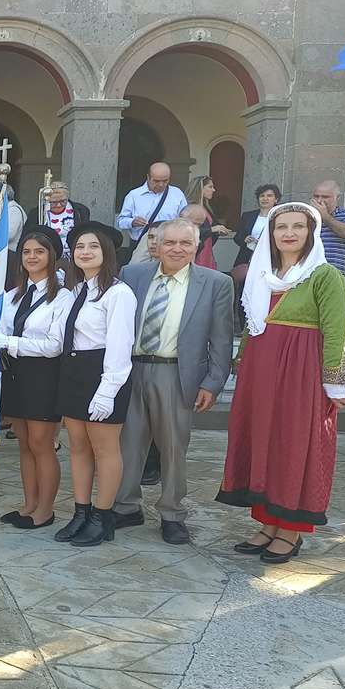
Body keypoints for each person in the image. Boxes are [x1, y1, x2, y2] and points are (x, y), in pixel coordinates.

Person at [217, 202, 345, 563]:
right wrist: (242, 363)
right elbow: (253, 325)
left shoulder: (325, 276)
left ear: (312, 232)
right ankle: (268, 524)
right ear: (271, 233)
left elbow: (337, 331)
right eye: (281, 226)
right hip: (261, 373)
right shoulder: (262, 273)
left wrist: (337, 381)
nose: (289, 233)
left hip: (300, 374)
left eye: (298, 226)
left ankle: (291, 529)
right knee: (264, 442)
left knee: (293, 445)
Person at [112, 219, 235, 544]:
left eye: (185, 243)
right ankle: (125, 506)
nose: (177, 249)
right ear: (157, 245)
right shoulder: (132, 275)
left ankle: (172, 513)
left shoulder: (216, 283)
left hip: (177, 374)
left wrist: (212, 382)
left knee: (172, 446)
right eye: (170, 243)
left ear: (196, 246)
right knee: (128, 443)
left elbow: (221, 339)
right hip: (131, 370)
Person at [0, 226, 73, 528]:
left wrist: (8, 342)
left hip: (43, 375)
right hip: (15, 374)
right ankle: (29, 503)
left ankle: (45, 509)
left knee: (41, 443)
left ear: (52, 256)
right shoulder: (12, 295)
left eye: (39, 252)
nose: (32, 257)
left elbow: (54, 345)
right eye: (27, 252)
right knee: (24, 443)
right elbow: (1, 329)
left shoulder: (62, 297)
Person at [53, 222, 137, 546]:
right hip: (73, 371)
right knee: (77, 446)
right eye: (79, 247)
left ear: (107, 252)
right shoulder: (76, 291)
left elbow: (119, 345)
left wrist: (107, 391)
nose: (85, 252)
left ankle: (103, 517)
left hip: (102, 374)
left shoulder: (118, 293)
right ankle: (81, 512)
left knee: (105, 449)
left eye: (93, 246)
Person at [116, 162, 188, 264]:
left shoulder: (177, 194)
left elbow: (185, 221)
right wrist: (132, 222)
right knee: (136, 272)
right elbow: (120, 221)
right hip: (142, 244)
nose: (161, 185)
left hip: (169, 244)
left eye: (165, 181)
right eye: (156, 181)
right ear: (148, 177)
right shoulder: (134, 195)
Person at [233, 184, 283, 293]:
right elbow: (237, 237)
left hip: (269, 259)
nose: (265, 198)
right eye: (262, 196)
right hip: (247, 258)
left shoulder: (280, 217)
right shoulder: (248, 216)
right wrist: (245, 239)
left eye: (269, 196)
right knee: (243, 289)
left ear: (276, 199)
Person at [311, 180, 345, 275]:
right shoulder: (306, 216)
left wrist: (325, 216)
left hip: (332, 274)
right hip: (306, 274)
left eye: (325, 197)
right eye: (316, 196)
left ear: (337, 197)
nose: (319, 200)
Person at [185, 176, 234, 270]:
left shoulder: (206, 207)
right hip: (197, 252)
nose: (214, 190)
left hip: (207, 251)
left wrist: (219, 231)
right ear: (200, 189)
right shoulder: (190, 208)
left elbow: (210, 229)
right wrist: (212, 229)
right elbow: (188, 232)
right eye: (210, 187)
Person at [26, 180, 90, 252]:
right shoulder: (37, 213)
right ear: (47, 200)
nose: (59, 205)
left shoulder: (81, 211)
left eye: (63, 201)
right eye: (54, 202)